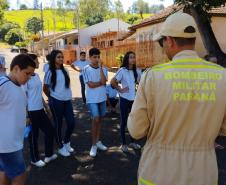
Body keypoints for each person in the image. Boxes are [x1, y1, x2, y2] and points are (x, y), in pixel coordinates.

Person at [127, 12, 226, 185]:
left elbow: (136, 130)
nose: (162, 47)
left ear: (170, 41)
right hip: (203, 174)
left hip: (158, 172)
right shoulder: (222, 76)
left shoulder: (152, 76)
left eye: (162, 42)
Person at [0, 54, 35, 185]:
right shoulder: (3, 84)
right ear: (16, 69)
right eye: (27, 73)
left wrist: (25, 118)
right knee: (20, 177)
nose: (29, 78)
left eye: (32, 74)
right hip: (7, 144)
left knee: (5, 173)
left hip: (13, 142)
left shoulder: (18, 85)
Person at [22, 53, 57, 168]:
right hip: (31, 111)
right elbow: (23, 98)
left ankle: (48, 155)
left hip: (40, 109)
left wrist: (46, 107)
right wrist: (26, 116)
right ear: (30, 63)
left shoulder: (36, 75)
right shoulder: (25, 78)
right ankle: (34, 159)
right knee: (34, 137)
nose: (38, 63)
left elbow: (38, 93)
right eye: (36, 61)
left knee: (50, 130)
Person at [43, 50, 75, 157]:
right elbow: (45, 88)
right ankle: (60, 147)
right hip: (56, 101)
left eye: (62, 57)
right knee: (58, 124)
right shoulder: (50, 72)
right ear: (53, 59)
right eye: (58, 57)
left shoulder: (65, 70)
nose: (61, 59)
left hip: (67, 101)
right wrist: (52, 98)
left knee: (71, 123)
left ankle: (66, 142)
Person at [111, 51, 142, 153]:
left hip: (133, 99)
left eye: (134, 57)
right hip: (124, 99)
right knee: (124, 121)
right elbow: (113, 81)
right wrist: (120, 90)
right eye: (131, 57)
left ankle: (132, 142)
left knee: (133, 121)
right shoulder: (122, 70)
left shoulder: (136, 71)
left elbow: (140, 81)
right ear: (127, 59)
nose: (133, 59)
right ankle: (123, 144)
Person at [83, 48, 108, 157]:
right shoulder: (86, 69)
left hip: (102, 98)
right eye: (94, 57)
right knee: (95, 119)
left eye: (98, 56)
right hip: (92, 99)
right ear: (90, 58)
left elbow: (104, 81)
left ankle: (98, 141)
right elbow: (90, 85)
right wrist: (100, 83)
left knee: (100, 120)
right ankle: (93, 145)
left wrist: (101, 68)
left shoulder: (104, 69)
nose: (97, 59)